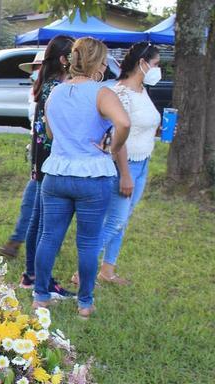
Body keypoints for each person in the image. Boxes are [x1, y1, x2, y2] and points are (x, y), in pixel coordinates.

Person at [33, 37, 131, 319]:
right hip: (91, 175)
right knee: (88, 242)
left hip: (57, 174)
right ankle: (85, 303)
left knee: (49, 237)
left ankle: (40, 297)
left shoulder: (55, 93)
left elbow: (50, 134)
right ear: (99, 62)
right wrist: (113, 147)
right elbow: (124, 122)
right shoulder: (102, 92)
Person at [17, 36, 78, 304]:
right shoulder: (58, 89)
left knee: (37, 221)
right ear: (65, 60)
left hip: (42, 161)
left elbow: (36, 133)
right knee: (45, 225)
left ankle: (31, 274)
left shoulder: (47, 85)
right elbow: (51, 133)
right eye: (76, 55)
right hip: (53, 162)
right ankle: (40, 279)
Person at [97, 42, 161, 285]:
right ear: (142, 63)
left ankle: (108, 269)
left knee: (122, 220)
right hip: (126, 165)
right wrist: (125, 174)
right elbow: (117, 136)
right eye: (155, 64)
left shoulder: (142, 90)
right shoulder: (120, 92)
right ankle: (84, 270)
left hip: (143, 161)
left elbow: (142, 123)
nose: (158, 69)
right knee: (114, 220)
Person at [0, 50, 46, 260]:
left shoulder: (53, 91)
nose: (35, 72)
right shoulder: (35, 91)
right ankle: (19, 241)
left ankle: (17, 241)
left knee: (37, 196)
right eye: (34, 68)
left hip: (47, 149)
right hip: (38, 147)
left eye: (39, 67)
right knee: (35, 197)